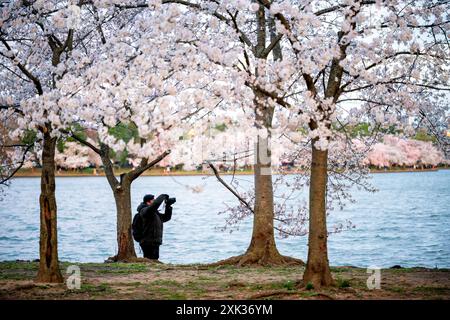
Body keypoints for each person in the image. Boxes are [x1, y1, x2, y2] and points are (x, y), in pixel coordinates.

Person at [136, 193, 174, 260]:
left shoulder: (154, 213)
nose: (154, 201)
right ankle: (148, 270)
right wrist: (163, 196)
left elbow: (166, 218)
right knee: (149, 259)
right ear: (148, 202)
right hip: (147, 241)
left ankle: (151, 270)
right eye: (153, 200)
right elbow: (155, 205)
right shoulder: (145, 211)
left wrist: (168, 206)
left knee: (154, 259)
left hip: (155, 241)